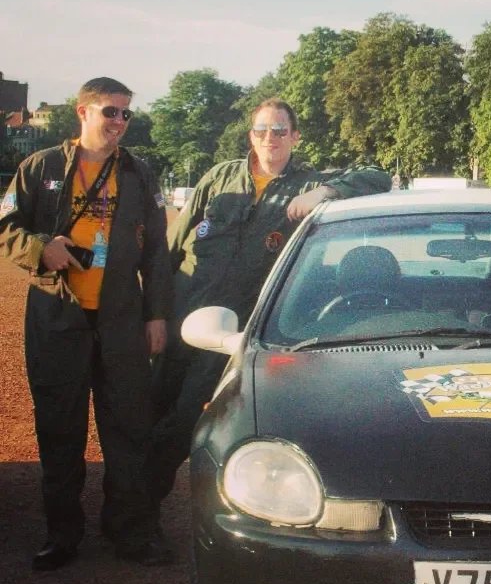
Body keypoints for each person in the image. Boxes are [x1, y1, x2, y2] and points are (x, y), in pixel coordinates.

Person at [146, 98, 391, 523]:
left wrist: (326, 191)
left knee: (183, 417)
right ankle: (126, 511)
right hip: (180, 315)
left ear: (295, 137)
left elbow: (377, 177)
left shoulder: (307, 185)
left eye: (280, 131)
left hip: (229, 330)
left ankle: (139, 516)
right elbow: (171, 247)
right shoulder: (219, 177)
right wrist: (153, 314)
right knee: (146, 410)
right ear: (250, 136)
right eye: (262, 130)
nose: (270, 139)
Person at [0, 77, 173, 570]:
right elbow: (5, 227)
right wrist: (41, 248)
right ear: (83, 112)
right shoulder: (42, 166)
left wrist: (156, 314)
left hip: (120, 319)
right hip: (58, 318)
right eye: (110, 112)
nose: (118, 122)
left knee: (128, 430)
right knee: (60, 429)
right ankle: (62, 534)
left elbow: (157, 252)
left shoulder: (139, 173)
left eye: (125, 115)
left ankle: (129, 532)